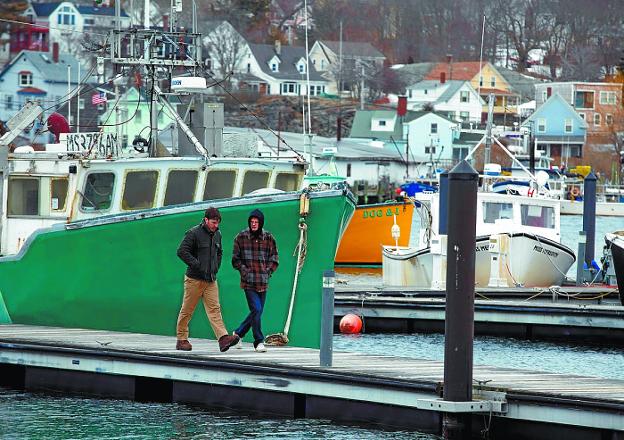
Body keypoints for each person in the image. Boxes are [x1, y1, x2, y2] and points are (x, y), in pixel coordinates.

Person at [175, 207, 239, 352]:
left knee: (215, 309)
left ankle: (223, 339)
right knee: (187, 310)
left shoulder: (218, 234)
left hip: (210, 279)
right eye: (213, 222)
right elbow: (181, 251)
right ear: (205, 220)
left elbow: (220, 252)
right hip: (194, 279)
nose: (216, 225)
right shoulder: (193, 233)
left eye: (217, 223)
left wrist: (215, 267)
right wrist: (196, 264)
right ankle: (181, 339)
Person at [232, 209, 279, 353]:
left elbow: (274, 257)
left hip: (263, 282)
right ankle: (258, 341)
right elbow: (235, 260)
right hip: (248, 282)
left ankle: (238, 334)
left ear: (260, 223)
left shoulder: (269, 238)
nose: (253, 224)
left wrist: (268, 271)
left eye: (256, 222)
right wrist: (245, 271)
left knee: (256, 312)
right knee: (257, 310)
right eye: (252, 222)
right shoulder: (241, 237)